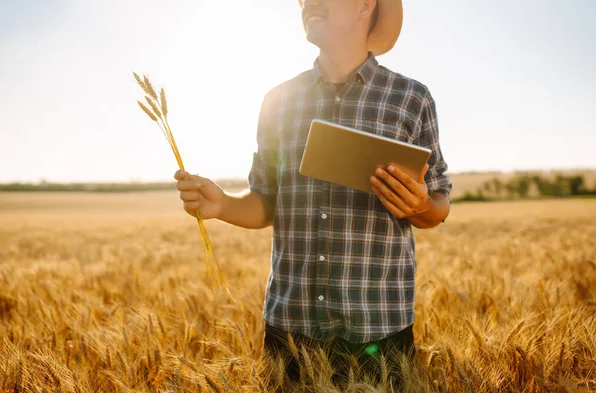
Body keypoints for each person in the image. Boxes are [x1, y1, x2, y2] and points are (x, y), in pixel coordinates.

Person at [175, 0, 451, 388]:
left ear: (365, 5)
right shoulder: (278, 101)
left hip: (379, 331)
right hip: (291, 329)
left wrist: (421, 205)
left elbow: (439, 202)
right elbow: (266, 201)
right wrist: (223, 205)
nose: (307, 2)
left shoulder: (411, 98)